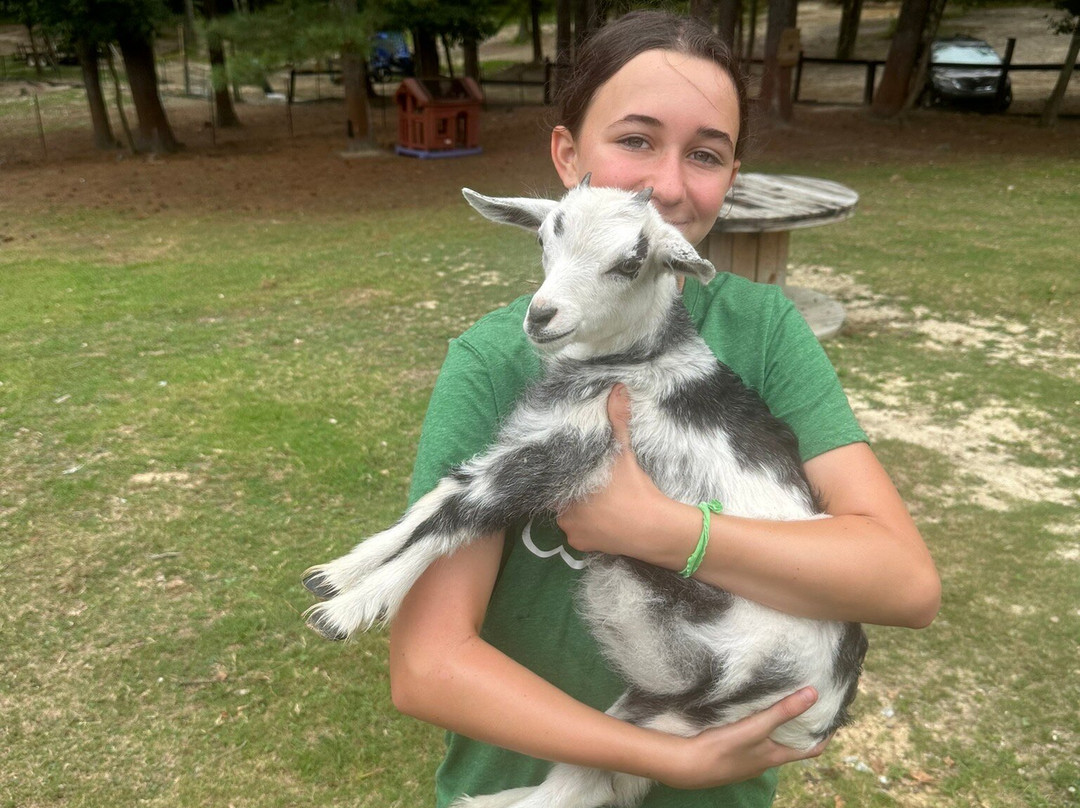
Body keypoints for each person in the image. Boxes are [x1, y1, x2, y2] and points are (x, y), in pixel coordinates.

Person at [388, 11, 940, 808]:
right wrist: (655, 757)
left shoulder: (764, 332)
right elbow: (428, 665)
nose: (672, 186)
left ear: (732, 176)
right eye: (636, 140)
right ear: (568, 158)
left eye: (705, 154)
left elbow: (905, 584)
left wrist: (658, 530)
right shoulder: (493, 361)